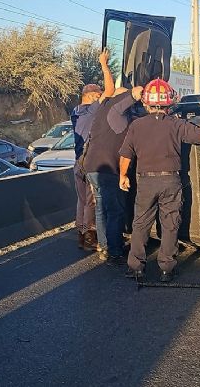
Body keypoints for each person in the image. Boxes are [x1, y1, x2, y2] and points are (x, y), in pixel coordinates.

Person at [119, 79, 200, 282]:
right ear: (169, 102)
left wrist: (122, 175)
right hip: (170, 181)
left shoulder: (136, 125)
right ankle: (167, 269)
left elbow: (126, 154)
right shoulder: (177, 124)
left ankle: (135, 268)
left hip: (145, 182)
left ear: (146, 103)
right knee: (170, 224)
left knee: (140, 224)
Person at [82, 86, 143, 265]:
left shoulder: (105, 112)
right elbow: (136, 92)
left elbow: (132, 122)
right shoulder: (115, 106)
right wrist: (144, 93)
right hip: (108, 168)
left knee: (102, 208)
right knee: (115, 211)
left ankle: (104, 245)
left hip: (92, 167)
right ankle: (114, 251)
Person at [69, 49, 115, 252]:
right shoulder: (92, 109)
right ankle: (90, 236)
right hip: (88, 162)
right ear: (91, 96)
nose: (100, 97)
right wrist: (104, 65)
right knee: (92, 201)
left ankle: (80, 234)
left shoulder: (76, 111)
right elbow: (110, 91)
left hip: (77, 161)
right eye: (97, 94)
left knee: (81, 200)